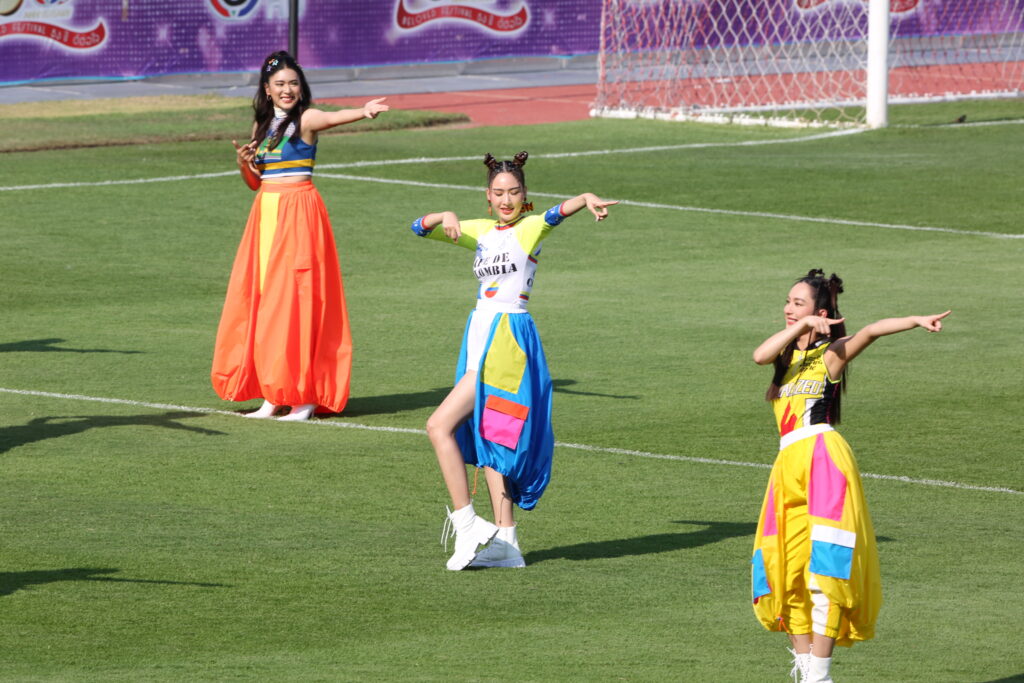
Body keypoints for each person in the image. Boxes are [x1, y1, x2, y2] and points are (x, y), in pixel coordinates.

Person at [410, 151, 617, 571]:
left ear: (525, 196)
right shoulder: (480, 231)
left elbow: (558, 213)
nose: (507, 200)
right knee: (492, 438)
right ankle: (507, 542)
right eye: (499, 193)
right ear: (487, 197)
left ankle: (468, 524)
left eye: (514, 192)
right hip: (479, 333)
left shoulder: (530, 227)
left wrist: (585, 198)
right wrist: (445, 214)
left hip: (508, 338)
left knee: (439, 425)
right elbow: (418, 227)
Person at [750, 269, 950, 683]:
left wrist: (915, 320)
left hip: (823, 458)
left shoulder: (832, 354)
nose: (789, 309)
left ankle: (820, 674)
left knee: (827, 566)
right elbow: (759, 355)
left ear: (822, 313)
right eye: (788, 302)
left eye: (799, 304)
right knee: (785, 568)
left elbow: (872, 331)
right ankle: (805, 668)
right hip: (787, 465)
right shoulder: (785, 356)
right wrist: (800, 326)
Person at [211, 51, 389, 421]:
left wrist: (363, 111)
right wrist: (244, 163)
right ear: (267, 89)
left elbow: (331, 118)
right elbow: (255, 182)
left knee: (296, 303)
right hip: (266, 215)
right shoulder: (261, 125)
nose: (287, 89)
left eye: (293, 83)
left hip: (298, 213)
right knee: (266, 304)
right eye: (280, 84)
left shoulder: (306, 119)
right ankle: (273, 395)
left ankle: (304, 397)